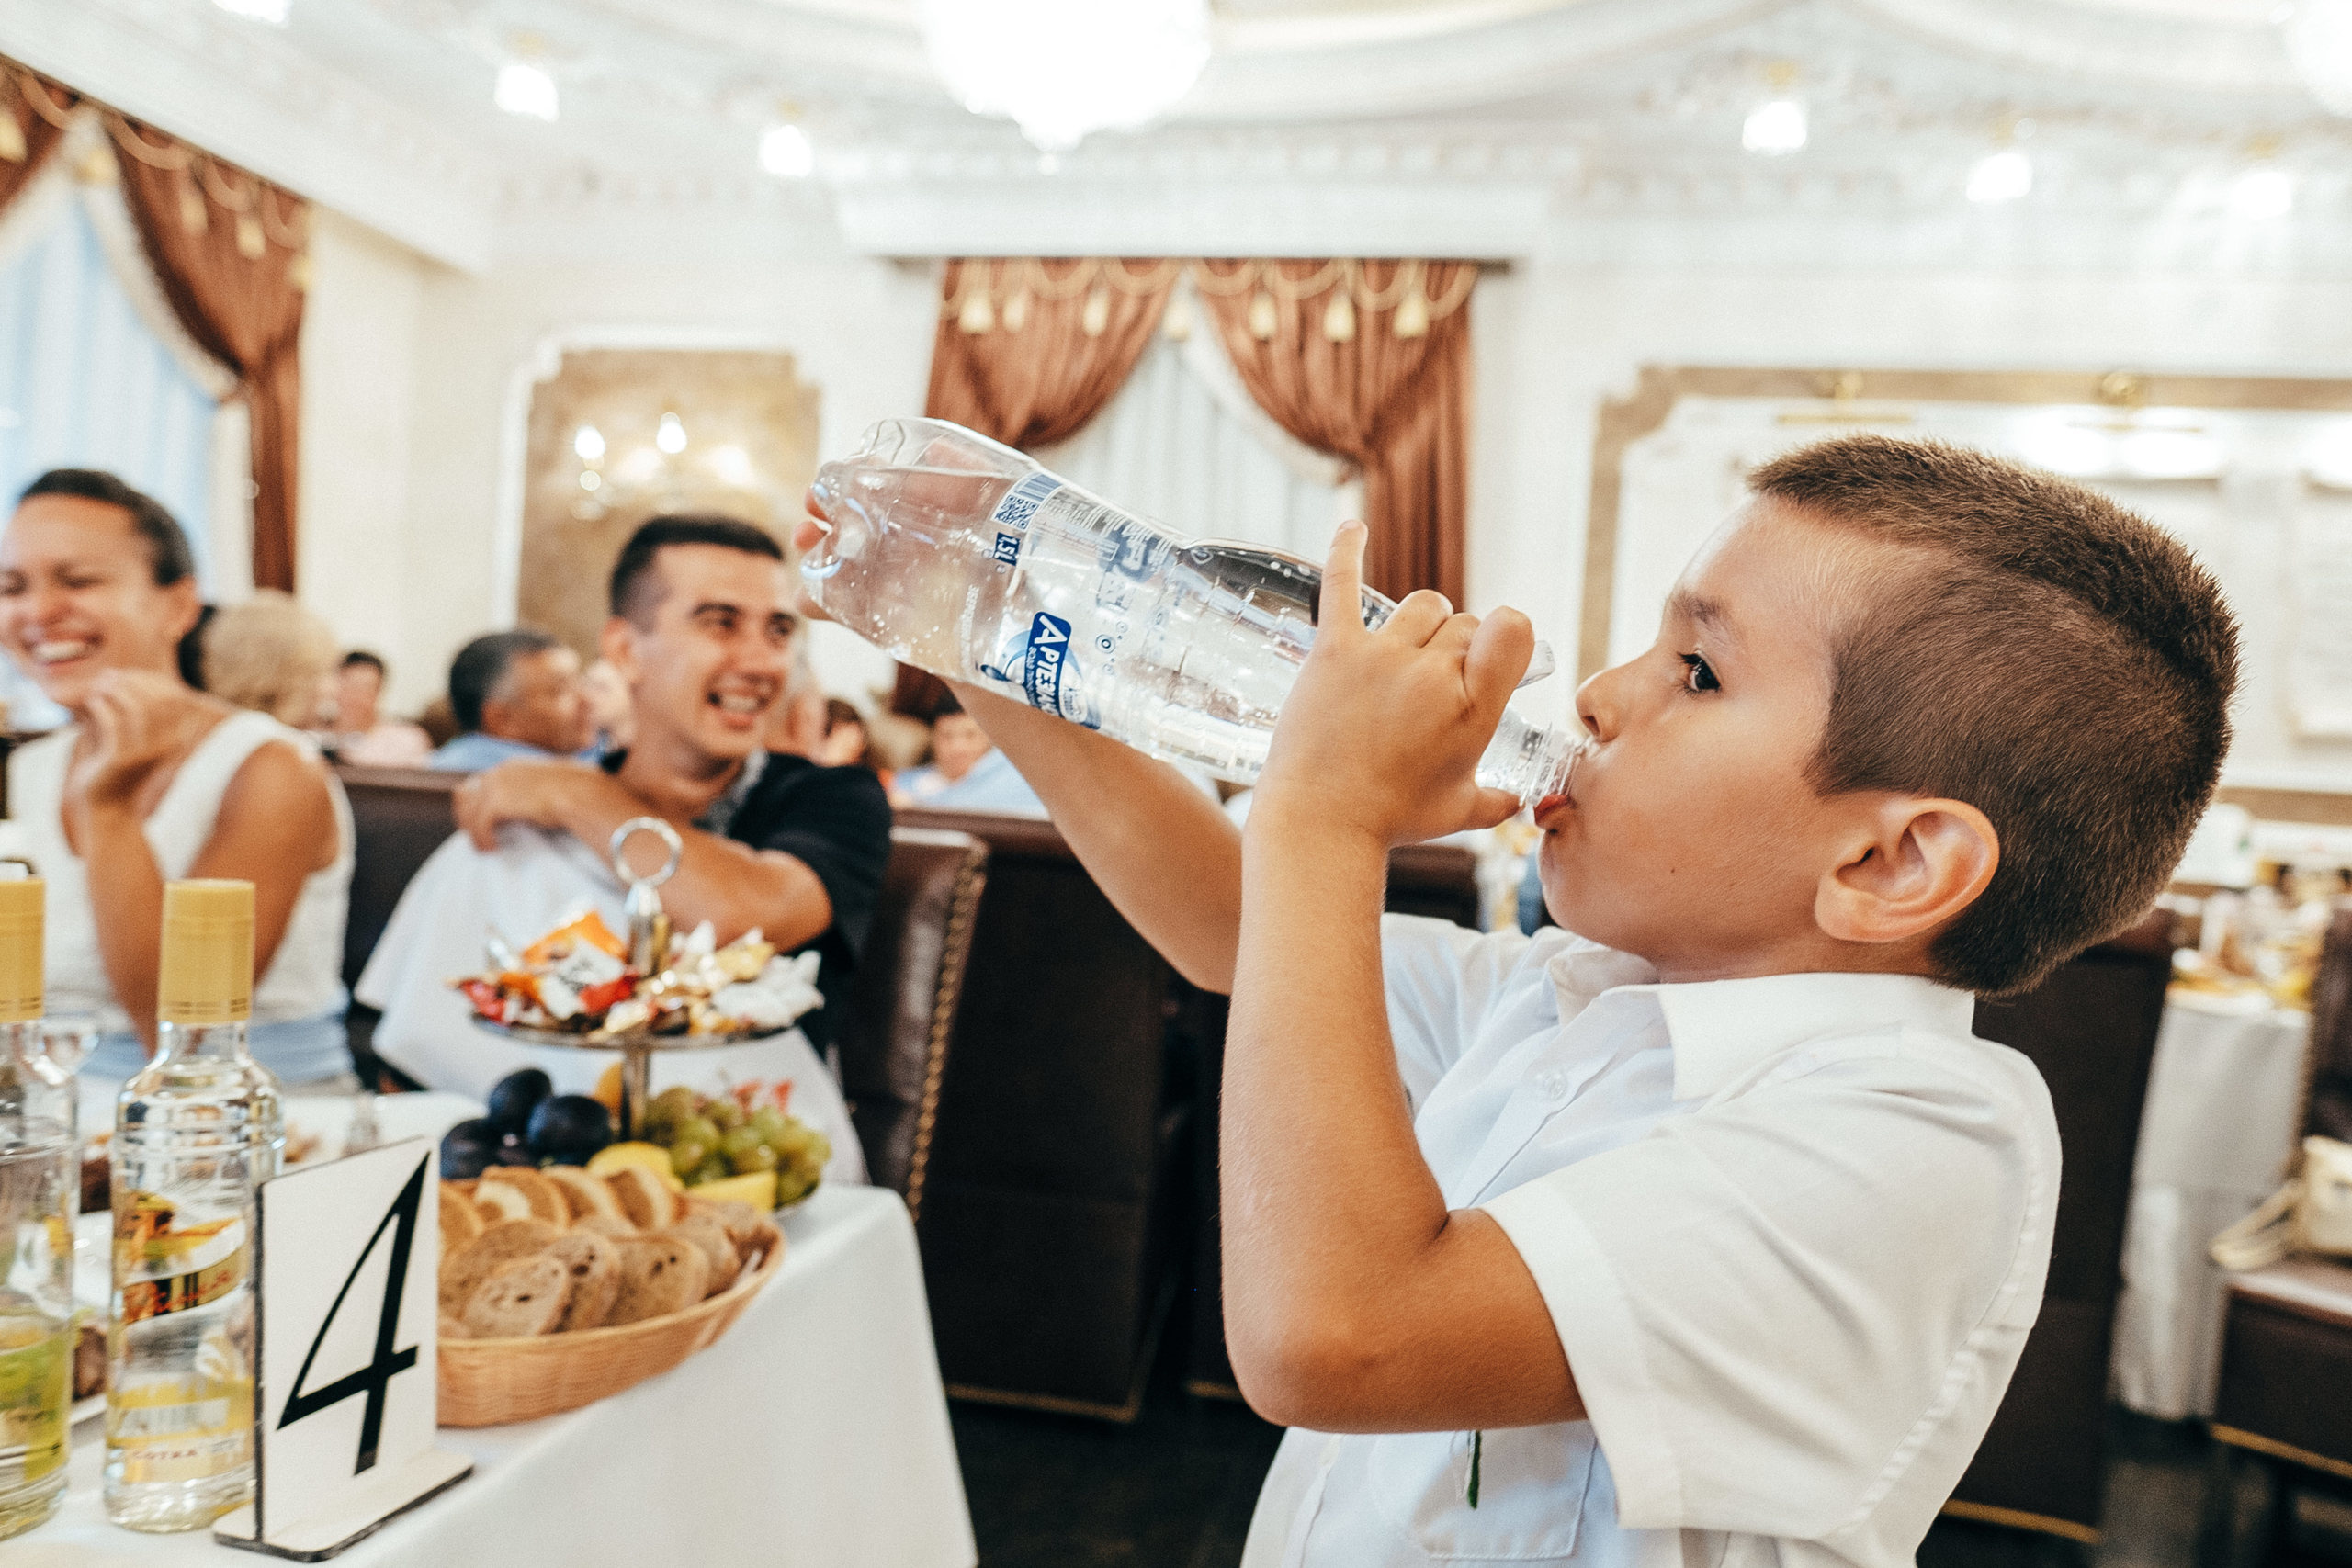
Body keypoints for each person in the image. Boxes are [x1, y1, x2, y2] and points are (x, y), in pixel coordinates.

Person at [798, 435, 2238, 1568]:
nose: (1599, 694)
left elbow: (1332, 1335)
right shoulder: (1577, 995)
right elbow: (1233, 925)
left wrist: (1326, 818)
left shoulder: (1915, 1137)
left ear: (1890, 858)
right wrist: (981, 627)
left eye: (1697, 668)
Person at [357, 514, 889, 1181]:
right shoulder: (533, 825)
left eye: (778, 630)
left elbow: (742, 914)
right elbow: (408, 1066)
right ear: (626, 648)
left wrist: (573, 793)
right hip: (533, 1177)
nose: (760, 661)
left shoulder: (829, 797)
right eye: (720, 622)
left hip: (752, 1180)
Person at [0, 470, 353, 1087]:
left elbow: (179, 1032)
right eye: (12, 587)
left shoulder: (271, 766)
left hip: (248, 1123)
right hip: (64, 1108)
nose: (38, 611)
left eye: (78, 580)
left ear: (179, 604)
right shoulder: (35, 764)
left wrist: (108, 809)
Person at [427, 628, 595, 771]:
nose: (587, 699)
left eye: (581, 682)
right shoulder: (474, 778)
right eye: (560, 691)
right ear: (502, 719)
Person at [198, 589, 340, 730]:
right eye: (320, 672)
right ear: (293, 677)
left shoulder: (209, 732)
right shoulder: (280, 747)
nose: (331, 689)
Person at [890, 694, 1046, 816]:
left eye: (970, 735)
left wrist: (917, 807)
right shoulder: (904, 782)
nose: (957, 748)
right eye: (946, 736)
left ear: (988, 738)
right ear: (932, 738)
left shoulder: (1012, 773)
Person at [332, 650, 432, 766]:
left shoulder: (408, 740)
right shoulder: (317, 738)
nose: (354, 698)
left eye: (365, 689)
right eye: (347, 687)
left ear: (380, 691)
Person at [580, 655, 633, 755]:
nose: (587, 696)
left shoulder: (655, 757)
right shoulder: (584, 751)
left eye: (601, 688)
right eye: (587, 684)